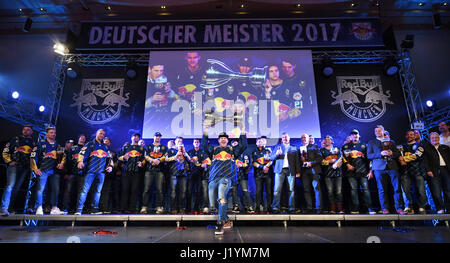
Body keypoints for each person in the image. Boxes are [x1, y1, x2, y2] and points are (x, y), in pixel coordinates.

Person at [202, 120, 247, 235]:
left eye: (225, 138)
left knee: (221, 197)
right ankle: (226, 219)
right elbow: (204, 144)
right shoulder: (214, 150)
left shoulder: (232, 150)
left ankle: (220, 223)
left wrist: (242, 129)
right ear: (218, 140)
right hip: (213, 178)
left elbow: (243, 145)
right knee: (212, 205)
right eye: (221, 138)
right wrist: (206, 129)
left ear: (227, 140)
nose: (223, 139)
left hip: (226, 177)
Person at [367, 125, 405, 215]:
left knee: (397, 188)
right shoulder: (371, 142)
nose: (377, 132)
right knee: (382, 189)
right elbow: (369, 155)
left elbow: (397, 153)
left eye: (379, 131)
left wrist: (392, 153)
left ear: (383, 131)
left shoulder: (391, 142)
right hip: (379, 168)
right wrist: (380, 153)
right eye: (376, 131)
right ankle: (385, 208)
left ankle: (399, 208)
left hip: (392, 166)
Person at [75, 129, 113, 215]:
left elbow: (110, 159)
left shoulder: (105, 147)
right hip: (90, 171)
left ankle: (94, 209)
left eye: (103, 134)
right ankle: (79, 210)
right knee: (84, 191)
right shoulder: (90, 144)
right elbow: (81, 153)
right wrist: (80, 161)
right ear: (96, 133)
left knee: (98, 191)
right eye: (100, 133)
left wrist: (110, 166)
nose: (102, 135)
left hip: (101, 172)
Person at [0, 125, 35, 216]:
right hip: (14, 166)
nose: (25, 131)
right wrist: (9, 161)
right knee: (10, 186)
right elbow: (5, 151)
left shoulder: (33, 143)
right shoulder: (15, 139)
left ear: (32, 132)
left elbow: (34, 156)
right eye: (24, 129)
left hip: (25, 168)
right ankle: (3, 208)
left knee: (17, 188)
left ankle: (10, 208)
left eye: (28, 130)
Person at [30, 126, 65, 215]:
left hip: (54, 171)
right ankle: (39, 208)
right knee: (40, 189)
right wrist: (35, 168)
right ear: (47, 134)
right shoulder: (40, 143)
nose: (53, 134)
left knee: (55, 189)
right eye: (51, 132)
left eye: (54, 133)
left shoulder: (58, 144)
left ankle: (54, 208)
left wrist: (61, 163)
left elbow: (63, 156)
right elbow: (33, 156)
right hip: (43, 170)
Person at [342, 129, 375, 214]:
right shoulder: (346, 146)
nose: (355, 136)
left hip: (363, 171)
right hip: (351, 172)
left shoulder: (364, 145)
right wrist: (348, 165)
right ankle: (355, 208)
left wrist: (370, 170)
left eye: (356, 134)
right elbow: (343, 158)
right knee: (354, 190)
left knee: (365, 189)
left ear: (359, 135)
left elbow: (369, 159)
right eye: (353, 134)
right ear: (350, 136)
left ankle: (369, 208)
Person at [270, 132, 300, 214]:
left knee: (291, 190)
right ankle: (275, 207)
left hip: (291, 171)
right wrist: (276, 154)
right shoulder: (278, 147)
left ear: (289, 138)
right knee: (277, 190)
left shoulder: (293, 148)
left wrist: (298, 171)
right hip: (279, 170)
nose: (285, 139)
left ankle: (292, 208)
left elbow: (297, 161)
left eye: (286, 137)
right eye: (283, 137)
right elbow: (271, 158)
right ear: (282, 139)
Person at [398, 130, 427, 214]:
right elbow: (398, 156)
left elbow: (417, 156)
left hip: (418, 171)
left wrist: (403, 159)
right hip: (405, 171)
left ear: (415, 136)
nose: (409, 136)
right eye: (407, 135)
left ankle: (422, 207)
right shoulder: (401, 146)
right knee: (406, 190)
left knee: (421, 190)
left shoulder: (420, 145)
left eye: (411, 134)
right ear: (405, 136)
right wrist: (401, 158)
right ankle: (408, 207)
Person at [118, 133, 145, 214]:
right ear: (131, 137)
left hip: (136, 172)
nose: (136, 137)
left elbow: (144, 159)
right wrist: (123, 158)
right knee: (125, 190)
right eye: (135, 136)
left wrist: (142, 163)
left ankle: (132, 208)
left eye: (138, 137)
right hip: (126, 171)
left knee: (134, 190)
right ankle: (123, 208)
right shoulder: (126, 147)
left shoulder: (141, 148)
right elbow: (118, 157)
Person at [141, 132, 168, 214]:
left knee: (159, 190)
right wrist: (152, 160)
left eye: (159, 136)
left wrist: (158, 160)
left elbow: (165, 156)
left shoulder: (164, 147)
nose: (157, 138)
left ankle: (159, 207)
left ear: (161, 138)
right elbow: (145, 156)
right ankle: (144, 207)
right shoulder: (148, 146)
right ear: (153, 137)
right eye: (156, 136)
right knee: (146, 189)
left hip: (159, 171)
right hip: (149, 170)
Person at [424, 132, 450, 214]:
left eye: (436, 137)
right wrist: (428, 170)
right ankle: (440, 208)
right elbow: (425, 161)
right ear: (430, 139)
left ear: (439, 138)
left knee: (448, 191)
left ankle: (448, 208)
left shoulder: (445, 148)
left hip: (446, 170)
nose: (435, 139)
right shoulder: (427, 149)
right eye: (433, 138)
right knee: (436, 192)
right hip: (434, 171)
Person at [298, 133, 323, 214]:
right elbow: (298, 161)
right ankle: (309, 207)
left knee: (317, 189)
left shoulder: (314, 146)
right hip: (304, 171)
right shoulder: (300, 148)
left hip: (314, 170)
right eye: (302, 138)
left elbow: (320, 158)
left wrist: (311, 163)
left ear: (308, 138)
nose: (303, 139)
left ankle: (318, 208)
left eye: (305, 137)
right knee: (306, 190)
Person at [166, 136, 191, 214]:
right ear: (175, 142)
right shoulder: (171, 150)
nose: (180, 142)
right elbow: (166, 159)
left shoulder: (184, 151)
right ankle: (173, 208)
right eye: (178, 141)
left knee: (182, 192)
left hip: (183, 174)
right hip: (174, 173)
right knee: (173, 192)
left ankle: (181, 208)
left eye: (181, 141)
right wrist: (176, 156)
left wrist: (185, 153)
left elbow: (190, 160)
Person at [62, 134, 86, 214]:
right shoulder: (72, 149)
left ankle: (77, 209)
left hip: (82, 174)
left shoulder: (86, 149)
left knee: (80, 192)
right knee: (68, 191)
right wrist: (67, 173)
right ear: (78, 139)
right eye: (81, 138)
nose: (82, 139)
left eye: (84, 138)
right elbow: (68, 161)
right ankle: (65, 208)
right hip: (72, 173)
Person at [320, 135, 344, 214]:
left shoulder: (337, 149)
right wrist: (329, 162)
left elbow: (341, 159)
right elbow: (321, 161)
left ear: (332, 141)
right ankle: (333, 208)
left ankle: (340, 208)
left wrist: (336, 164)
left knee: (338, 191)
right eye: (325, 139)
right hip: (327, 173)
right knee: (330, 191)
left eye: (328, 139)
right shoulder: (322, 150)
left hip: (338, 173)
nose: (327, 141)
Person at [231, 139, 254, 214]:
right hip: (233, 176)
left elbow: (248, 164)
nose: (235, 145)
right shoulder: (230, 154)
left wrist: (241, 165)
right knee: (234, 191)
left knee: (245, 190)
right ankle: (236, 206)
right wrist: (234, 166)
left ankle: (249, 206)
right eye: (233, 144)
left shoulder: (244, 154)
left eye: (236, 143)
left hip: (242, 175)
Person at [186, 138, 209, 214]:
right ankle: (188, 208)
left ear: (199, 143)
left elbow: (208, 161)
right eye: (195, 142)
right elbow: (187, 162)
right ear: (193, 143)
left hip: (200, 174)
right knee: (189, 191)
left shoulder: (203, 152)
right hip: (191, 174)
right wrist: (187, 170)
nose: (196, 143)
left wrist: (205, 164)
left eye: (197, 142)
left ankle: (197, 208)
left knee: (199, 192)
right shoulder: (190, 152)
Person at [252, 136, 273, 214]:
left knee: (268, 192)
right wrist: (262, 167)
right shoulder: (254, 152)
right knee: (258, 192)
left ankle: (269, 208)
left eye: (261, 141)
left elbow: (271, 161)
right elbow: (253, 162)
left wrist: (267, 166)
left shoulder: (268, 151)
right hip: (258, 174)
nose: (260, 143)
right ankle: (257, 209)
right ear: (256, 143)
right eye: (259, 141)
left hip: (267, 174)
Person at [99, 137, 119, 214]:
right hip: (99, 173)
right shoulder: (99, 151)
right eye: (104, 141)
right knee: (98, 191)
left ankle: (105, 208)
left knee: (106, 191)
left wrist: (113, 167)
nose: (106, 143)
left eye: (107, 142)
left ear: (109, 143)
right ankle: (97, 207)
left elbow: (116, 163)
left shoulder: (112, 152)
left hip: (109, 175)